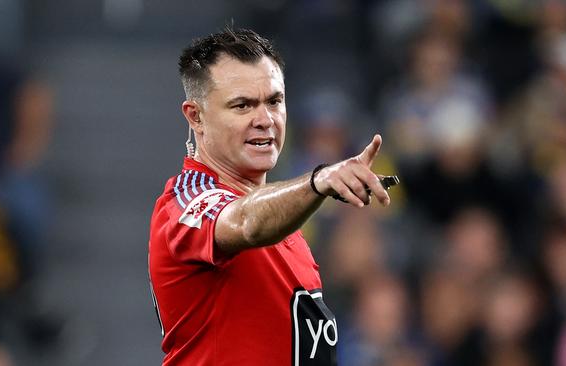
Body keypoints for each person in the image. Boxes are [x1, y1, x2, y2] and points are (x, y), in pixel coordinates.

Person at [148, 27, 393, 365]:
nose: (265, 120)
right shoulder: (185, 201)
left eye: (274, 101)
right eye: (242, 105)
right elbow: (245, 222)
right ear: (196, 116)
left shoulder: (287, 223)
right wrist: (318, 180)